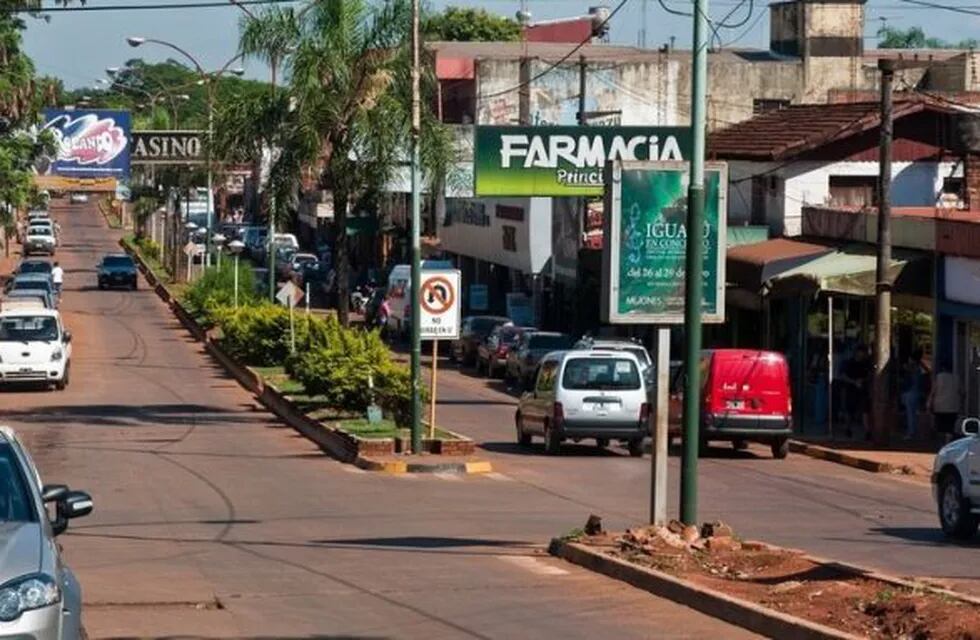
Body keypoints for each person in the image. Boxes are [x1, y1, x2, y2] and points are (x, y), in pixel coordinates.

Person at [840, 344, 872, 439]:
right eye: (860, 353)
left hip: (863, 389)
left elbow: (870, 375)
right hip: (851, 389)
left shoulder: (867, 364)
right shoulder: (850, 363)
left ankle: (867, 431)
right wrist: (854, 382)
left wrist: (863, 380)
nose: (862, 355)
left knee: (865, 410)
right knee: (850, 411)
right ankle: (848, 428)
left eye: (863, 353)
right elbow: (843, 375)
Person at [929, 359, 961, 444]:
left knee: (941, 426)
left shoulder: (939, 377)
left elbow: (933, 391)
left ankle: (942, 443)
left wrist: (929, 402)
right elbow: (961, 391)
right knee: (950, 426)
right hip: (953, 406)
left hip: (940, 406)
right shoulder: (956, 378)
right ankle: (948, 441)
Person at [900, 349, 929, 440]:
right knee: (915, 413)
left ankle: (911, 432)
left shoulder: (911, 368)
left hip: (910, 392)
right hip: (918, 392)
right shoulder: (921, 368)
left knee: (910, 414)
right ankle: (916, 431)